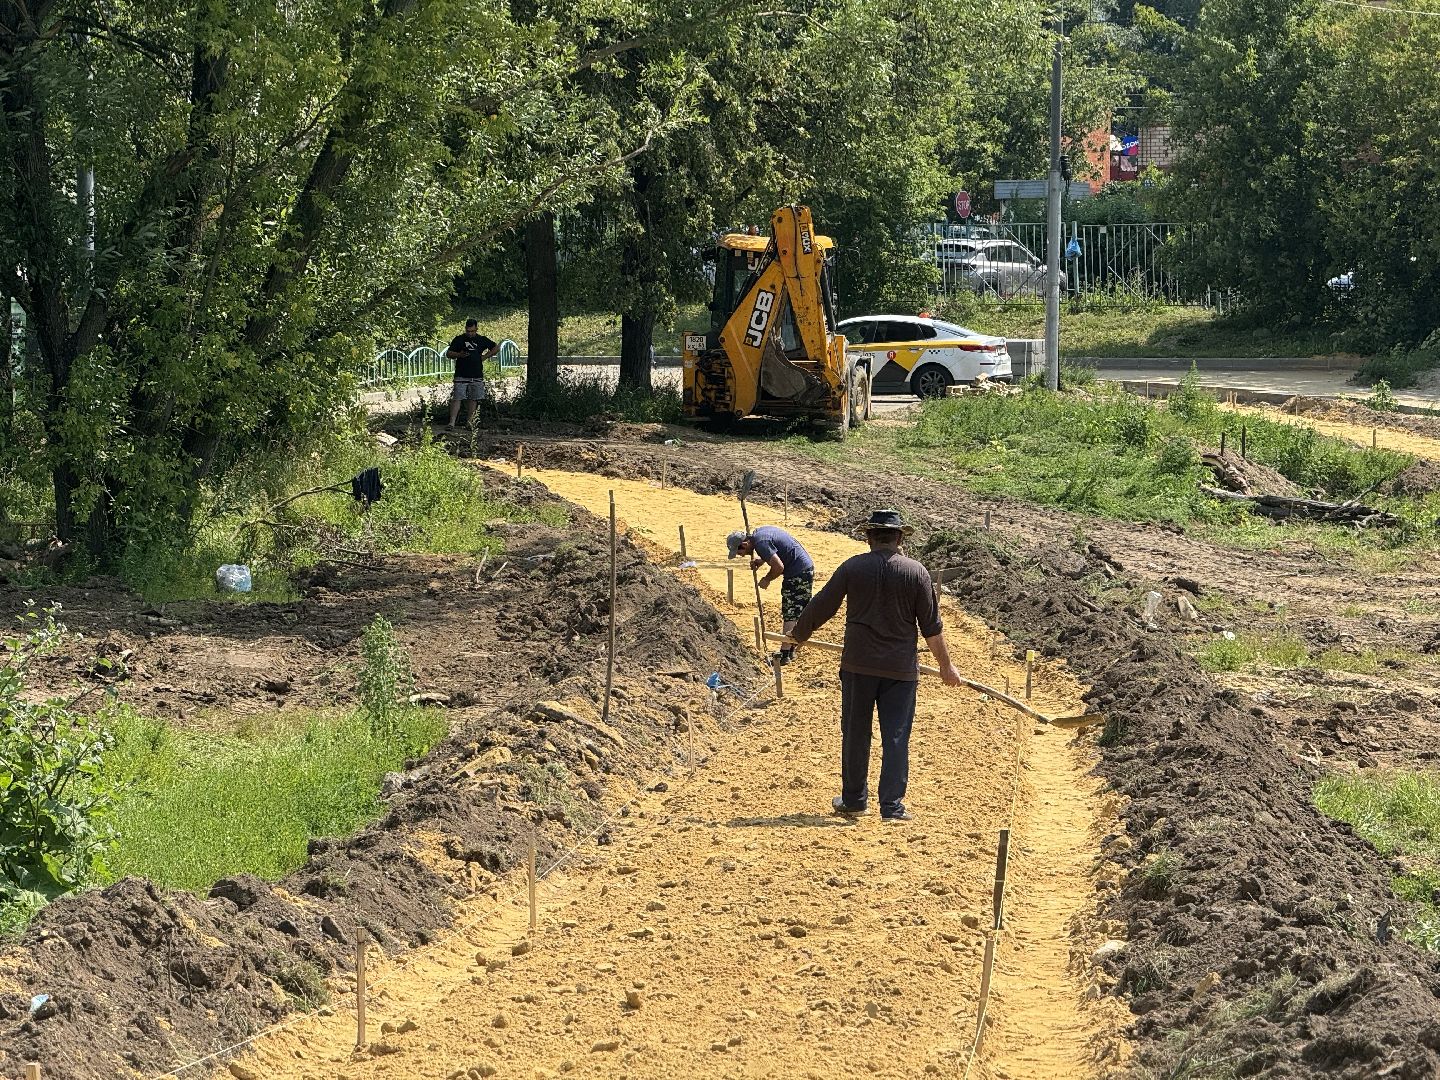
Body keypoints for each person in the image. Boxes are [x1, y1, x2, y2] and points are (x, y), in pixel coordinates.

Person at [788, 509, 962, 822]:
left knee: (855, 733)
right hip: (900, 670)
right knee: (896, 736)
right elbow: (932, 628)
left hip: (858, 666)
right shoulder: (916, 572)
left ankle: (854, 801)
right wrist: (947, 668)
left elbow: (822, 605)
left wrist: (796, 636)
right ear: (898, 538)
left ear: (868, 538)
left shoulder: (853, 568)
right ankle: (892, 807)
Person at [726, 525, 814, 666]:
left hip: (798, 573)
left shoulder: (761, 543)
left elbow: (778, 567)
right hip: (802, 568)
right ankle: (791, 648)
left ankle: (785, 654)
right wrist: (761, 561)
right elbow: (776, 549)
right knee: (796, 610)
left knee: (790, 611)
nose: (740, 555)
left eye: (739, 552)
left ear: (744, 544)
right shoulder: (759, 535)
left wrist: (767, 579)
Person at [446, 319, 499, 429]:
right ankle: (452, 423)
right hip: (461, 374)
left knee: (473, 399)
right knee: (457, 398)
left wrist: (485, 356)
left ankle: (469, 422)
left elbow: (496, 347)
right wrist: (459, 355)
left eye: (472, 331)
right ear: (465, 329)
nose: (470, 333)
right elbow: (449, 353)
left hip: (476, 375)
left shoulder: (481, 340)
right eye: (468, 331)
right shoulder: (459, 339)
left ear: (476, 329)